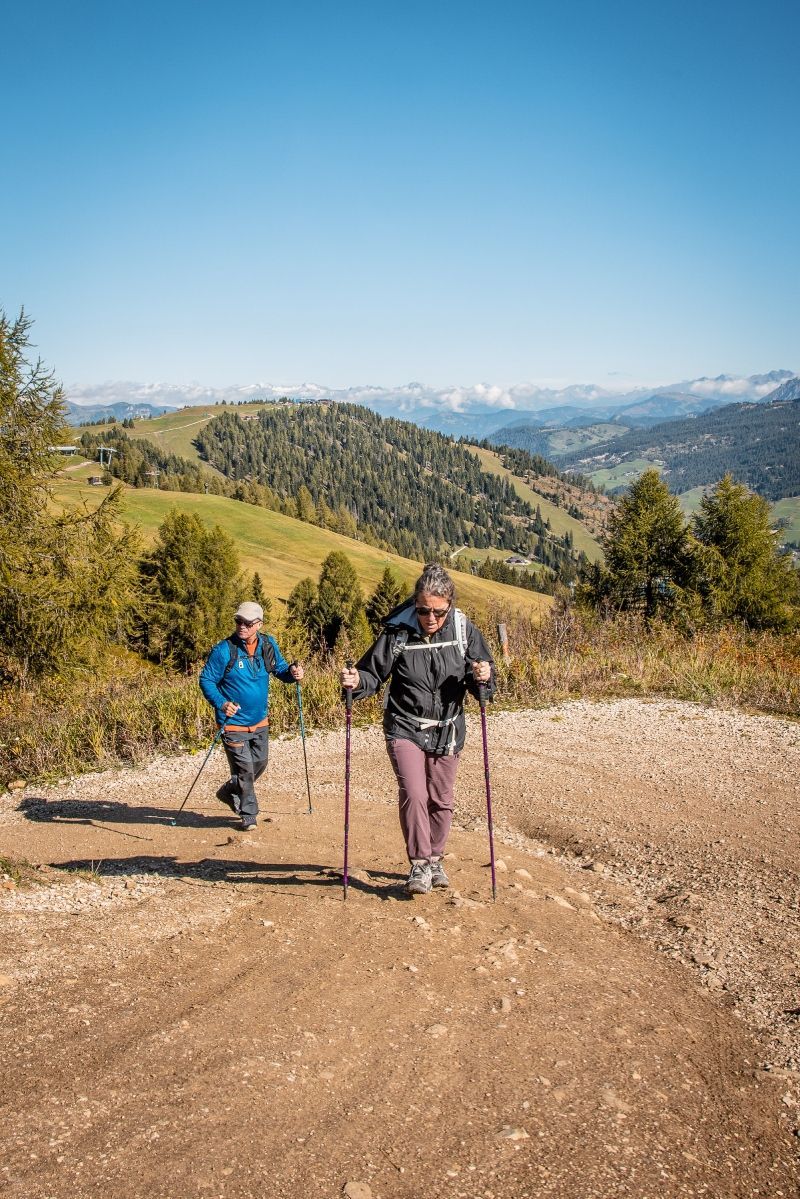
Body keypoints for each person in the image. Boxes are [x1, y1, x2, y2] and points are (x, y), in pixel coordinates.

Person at [340, 562, 495, 895]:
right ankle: (420, 864)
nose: (431, 618)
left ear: (449, 605)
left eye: (439, 612)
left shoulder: (463, 630)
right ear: (415, 605)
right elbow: (371, 673)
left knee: (441, 799)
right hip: (404, 725)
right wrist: (356, 683)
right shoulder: (398, 632)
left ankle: (436, 857)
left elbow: (481, 675)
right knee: (414, 793)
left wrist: (483, 678)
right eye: (424, 610)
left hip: (447, 728)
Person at [199, 601, 304, 831]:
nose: (241, 626)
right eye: (238, 621)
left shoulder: (268, 644)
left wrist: (292, 674)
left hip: (260, 721)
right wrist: (222, 703)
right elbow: (206, 680)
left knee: (260, 763)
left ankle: (229, 790)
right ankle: (249, 814)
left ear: (259, 624)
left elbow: (280, 669)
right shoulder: (223, 650)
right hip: (233, 723)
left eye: (247, 622)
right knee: (245, 769)